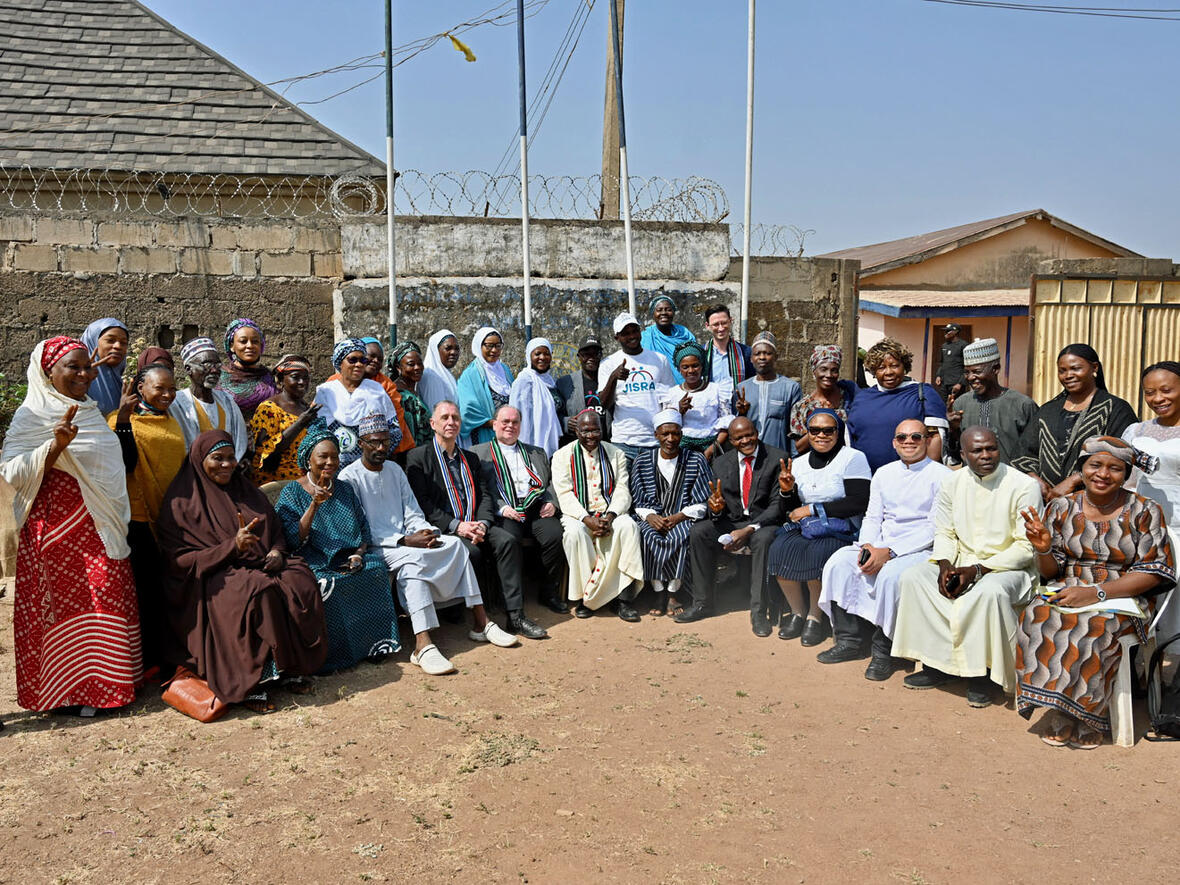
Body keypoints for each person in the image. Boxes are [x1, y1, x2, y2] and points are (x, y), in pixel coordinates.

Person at [1, 337, 141, 714]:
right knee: (64, 607)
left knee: (104, 596)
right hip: (56, 531)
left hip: (100, 525)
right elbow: (11, 473)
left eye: (86, 367)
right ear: (49, 372)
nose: (84, 375)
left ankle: (106, 688)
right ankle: (65, 693)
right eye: (73, 367)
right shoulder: (32, 416)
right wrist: (54, 447)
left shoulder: (89, 411)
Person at [1016, 436, 1176, 748]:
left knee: (1092, 626)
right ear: (1082, 469)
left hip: (1126, 594)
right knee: (1036, 615)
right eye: (1095, 465)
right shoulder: (1061, 507)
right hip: (1069, 585)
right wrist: (1045, 550)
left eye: (1115, 468)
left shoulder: (1144, 510)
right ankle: (1060, 708)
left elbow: (1154, 571)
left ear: (1127, 473)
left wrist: (1096, 594)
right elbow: (1051, 572)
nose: (1103, 474)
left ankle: (1086, 715)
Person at [156, 430, 327, 712]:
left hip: (260, 563)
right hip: (214, 575)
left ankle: (289, 668)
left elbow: (276, 529)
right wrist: (230, 548)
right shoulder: (181, 502)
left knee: (300, 580)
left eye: (230, 458)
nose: (226, 465)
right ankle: (255, 681)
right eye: (217, 459)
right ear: (200, 460)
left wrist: (275, 551)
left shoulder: (245, 490)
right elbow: (180, 562)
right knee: (258, 591)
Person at [340, 415, 509, 676]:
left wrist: (424, 532)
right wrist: (405, 541)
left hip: (409, 539)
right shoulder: (350, 477)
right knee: (410, 565)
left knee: (454, 546)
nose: (381, 448)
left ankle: (480, 623)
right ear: (361, 443)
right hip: (378, 546)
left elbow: (412, 510)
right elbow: (357, 526)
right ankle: (422, 645)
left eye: (385, 442)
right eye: (374, 443)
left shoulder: (395, 470)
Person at [892, 426, 1041, 708]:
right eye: (977, 450)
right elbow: (945, 532)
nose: (986, 455)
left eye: (991, 448)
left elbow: (1025, 549)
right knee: (913, 577)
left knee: (988, 593)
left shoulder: (1024, 485)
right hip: (961, 561)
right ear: (963, 454)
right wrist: (945, 565)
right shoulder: (952, 482)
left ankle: (982, 675)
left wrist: (977, 571)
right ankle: (938, 665)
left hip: (1010, 570)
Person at [817, 419, 951, 680]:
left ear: (927, 440)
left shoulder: (943, 476)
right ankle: (850, 641)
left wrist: (890, 552)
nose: (909, 442)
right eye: (902, 437)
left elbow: (934, 527)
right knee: (839, 563)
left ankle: (883, 652)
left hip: (920, 548)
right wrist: (868, 545)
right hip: (879, 540)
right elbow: (872, 517)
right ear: (894, 443)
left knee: (892, 576)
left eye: (916, 437)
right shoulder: (884, 473)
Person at [406, 400, 543, 640]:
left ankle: (515, 616)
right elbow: (423, 504)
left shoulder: (470, 458)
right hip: (446, 529)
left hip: (476, 524)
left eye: (455, 418)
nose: (451, 422)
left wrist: (483, 523)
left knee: (507, 540)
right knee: (472, 552)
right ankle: (471, 616)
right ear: (432, 423)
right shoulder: (418, 458)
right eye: (445, 417)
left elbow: (485, 495)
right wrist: (457, 526)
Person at [275, 427, 400, 673]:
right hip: (312, 561)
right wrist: (314, 505)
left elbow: (364, 530)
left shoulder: (344, 489)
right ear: (308, 458)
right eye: (323, 456)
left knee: (375, 569)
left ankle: (372, 646)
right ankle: (334, 657)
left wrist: (358, 553)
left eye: (334, 456)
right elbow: (291, 540)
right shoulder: (292, 492)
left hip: (348, 558)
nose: (330, 462)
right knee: (326, 585)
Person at [770, 408, 872, 646]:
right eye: (815, 430)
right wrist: (787, 491)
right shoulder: (798, 462)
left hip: (841, 527)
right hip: (807, 527)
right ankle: (798, 612)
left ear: (838, 432)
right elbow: (792, 509)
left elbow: (858, 501)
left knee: (817, 554)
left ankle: (815, 617)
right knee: (779, 549)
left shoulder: (853, 458)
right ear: (808, 433)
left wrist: (814, 509)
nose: (821, 435)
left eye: (829, 430)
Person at [108, 363, 186, 671]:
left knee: (166, 588)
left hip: (169, 515)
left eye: (171, 389)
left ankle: (165, 654)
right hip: (137, 518)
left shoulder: (171, 421)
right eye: (160, 388)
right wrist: (125, 418)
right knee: (145, 590)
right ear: (141, 388)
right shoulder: (118, 420)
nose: (167, 394)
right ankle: (146, 660)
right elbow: (125, 464)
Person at [680, 416, 789, 633]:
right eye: (739, 438)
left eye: (750, 434)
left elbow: (778, 506)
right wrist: (716, 509)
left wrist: (748, 529)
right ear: (730, 440)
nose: (746, 440)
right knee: (699, 531)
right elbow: (716, 504)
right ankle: (703, 603)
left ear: (757, 433)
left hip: (763, 523)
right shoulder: (721, 462)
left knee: (764, 539)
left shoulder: (777, 458)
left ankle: (759, 613)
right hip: (732, 521)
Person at [472, 404, 568, 616]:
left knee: (555, 536)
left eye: (515, 422)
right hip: (505, 510)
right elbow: (478, 490)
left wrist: (552, 502)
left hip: (535, 507)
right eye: (505, 422)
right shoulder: (477, 453)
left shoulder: (536, 452)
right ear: (494, 424)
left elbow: (551, 482)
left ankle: (547, 591)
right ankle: (511, 598)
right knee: (509, 540)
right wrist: (501, 508)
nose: (510, 426)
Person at [1014, 343, 1138, 502]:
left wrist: (1073, 481)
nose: (1068, 375)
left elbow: (1122, 456)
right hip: (1047, 502)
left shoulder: (1115, 409)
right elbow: (1023, 454)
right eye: (1062, 371)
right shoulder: (1047, 411)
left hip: (1095, 503)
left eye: (1075, 368)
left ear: (1094, 368)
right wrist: (1034, 479)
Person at [551, 410, 644, 620]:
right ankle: (587, 598)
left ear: (602, 430)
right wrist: (587, 519)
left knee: (629, 527)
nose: (591, 436)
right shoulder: (561, 456)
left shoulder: (615, 453)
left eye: (595, 430)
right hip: (578, 515)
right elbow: (564, 493)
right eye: (586, 431)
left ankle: (623, 599)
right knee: (574, 534)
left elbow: (622, 490)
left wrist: (610, 516)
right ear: (576, 431)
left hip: (610, 512)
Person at [630, 410, 712, 616]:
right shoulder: (642, 461)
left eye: (675, 433)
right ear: (656, 434)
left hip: (682, 517)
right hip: (652, 517)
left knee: (682, 535)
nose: (670, 439)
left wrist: (678, 517)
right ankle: (658, 591)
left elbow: (703, 499)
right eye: (665, 434)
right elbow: (637, 499)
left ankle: (673, 592)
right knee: (647, 534)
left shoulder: (696, 460)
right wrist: (650, 516)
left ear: (681, 434)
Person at [1123, 361, 1180, 640]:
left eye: (1166, 390)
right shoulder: (1135, 431)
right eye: (1150, 392)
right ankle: (1144, 667)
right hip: (1143, 523)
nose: (1158, 398)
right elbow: (1127, 478)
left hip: (1178, 524)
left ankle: (1172, 663)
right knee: (1144, 591)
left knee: (1175, 600)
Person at [846, 338, 946, 473]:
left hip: (911, 478)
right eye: (881, 367)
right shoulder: (863, 398)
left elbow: (936, 437)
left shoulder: (923, 393)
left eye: (894, 365)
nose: (888, 372)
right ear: (873, 371)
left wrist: (924, 475)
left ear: (904, 366)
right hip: (866, 479)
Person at [313, 337, 401, 468]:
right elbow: (316, 432)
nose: (359, 364)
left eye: (363, 360)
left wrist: (372, 458)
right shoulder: (326, 392)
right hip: (333, 467)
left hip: (369, 466)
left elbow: (394, 431)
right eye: (352, 360)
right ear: (340, 363)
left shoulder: (376, 391)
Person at [598, 312, 675, 462]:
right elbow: (603, 404)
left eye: (634, 331)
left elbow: (668, 399)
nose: (632, 336)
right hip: (624, 442)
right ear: (616, 338)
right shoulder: (608, 363)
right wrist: (613, 378)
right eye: (626, 333)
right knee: (623, 486)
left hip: (655, 441)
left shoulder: (660, 360)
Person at [948, 338, 1036, 465]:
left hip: (1011, 482)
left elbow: (1034, 452)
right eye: (967, 372)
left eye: (977, 372)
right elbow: (955, 455)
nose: (971, 377)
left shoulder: (1022, 405)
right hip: (973, 481)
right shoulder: (960, 404)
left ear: (996, 369)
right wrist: (953, 429)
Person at [325, 336, 415, 456]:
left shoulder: (385, 386)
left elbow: (395, 423)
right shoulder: (334, 383)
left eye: (380, 359)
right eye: (371, 356)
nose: (376, 361)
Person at [248, 354, 323, 484]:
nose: (302, 382)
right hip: (275, 483)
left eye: (306, 378)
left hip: (303, 482)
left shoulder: (307, 408)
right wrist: (300, 423)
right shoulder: (269, 409)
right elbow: (267, 456)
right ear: (281, 380)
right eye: (295, 377)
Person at [172, 336, 248, 460]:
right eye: (207, 364)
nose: (214, 370)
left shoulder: (227, 401)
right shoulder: (178, 403)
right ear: (188, 369)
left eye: (217, 365)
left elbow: (240, 440)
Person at [659, 341, 731, 458]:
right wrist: (679, 411)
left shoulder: (716, 390)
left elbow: (725, 426)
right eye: (685, 367)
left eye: (695, 365)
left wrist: (710, 451)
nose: (691, 370)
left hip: (712, 448)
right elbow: (667, 429)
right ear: (679, 369)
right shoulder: (672, 394)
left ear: (702, 366)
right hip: (681, 450)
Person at [736, 331, 801, 453]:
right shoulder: (742, 389)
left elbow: (794, 430)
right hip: (749, 456)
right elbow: (735, 429)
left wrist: (793, 460)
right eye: (757, 354)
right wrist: (741, 413)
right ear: (751, 358)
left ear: (776, 357)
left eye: (767, 353)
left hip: (778, 455)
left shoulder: (791, 388)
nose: (762, 357)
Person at [791, 345, 857, 455]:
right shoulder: (802, 407)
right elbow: (799, 448)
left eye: (834, 370)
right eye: (823, 369)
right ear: (814, 371)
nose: (829, 375)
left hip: (848, 460)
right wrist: (823, 417)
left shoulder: (850, 397)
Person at [458, 327, 515, 446]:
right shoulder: (471, 374)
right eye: (489, 346)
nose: (494, 350)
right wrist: (494, 424)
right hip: (485, 437)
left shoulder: (504, 370)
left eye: (498, 345)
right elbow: (467, 411)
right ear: (479, 346)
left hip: (508, 434)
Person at [509, 337, 564, 457]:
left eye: (546, 354)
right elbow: (519, 416)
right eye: (537, 354)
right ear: (529, 356)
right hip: (532, 443)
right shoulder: (524, 381)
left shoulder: (550, 381)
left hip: (551, 440)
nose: (542, 358)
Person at [556, 336, 611, 441]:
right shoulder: (565, 383)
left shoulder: (610, 379)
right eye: (586, 354)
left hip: (607, 443)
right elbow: (553, 414)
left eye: (596, 354)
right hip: (578, 444)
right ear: (579, 357)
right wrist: (566, 422)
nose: (591, 358)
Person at [221, 318, 275, 422]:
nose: (250, 346)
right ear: (232, 346)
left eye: (255, 341)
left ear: (261, 345)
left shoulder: (271, 378)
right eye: (243, 341)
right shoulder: (219, 377)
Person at [702, 304, 753, 405]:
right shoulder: (701, 353)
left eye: (724, 323)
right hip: (708, 408)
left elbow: (752, 384)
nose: (721, 328)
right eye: (716, 324)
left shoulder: (745, 353)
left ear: (730, 321)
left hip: (737, 409)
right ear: (707, 326)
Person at [640, 294, 698, 383]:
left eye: (668, 310)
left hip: (685, 385)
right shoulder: (646, 336)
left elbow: (696, 358)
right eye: (659, 310)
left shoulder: (684, 333)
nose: (664, 313)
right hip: (658, 386)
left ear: (674, 312)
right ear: (653, 313)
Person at [80, 317, 129, 416]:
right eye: (110, 340)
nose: (118, 346)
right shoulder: (75, 382)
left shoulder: (125, 387)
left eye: (123, 343)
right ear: (92, 342)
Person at [389, 340, 432, 451]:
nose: (417, 367)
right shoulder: (400, 395)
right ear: (398, 368)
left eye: (420, 363)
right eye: (411, 364)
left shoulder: (413, 390)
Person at [419, 329, 462, 414]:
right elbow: (436, 414)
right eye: (448, 348)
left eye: (456, 348)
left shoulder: (445, 374)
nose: (454, 352)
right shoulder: (431, 376)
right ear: (436, 350)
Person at [934, 323, 967, 400]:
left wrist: (960, 383)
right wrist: (938, 375)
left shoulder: (964, 345)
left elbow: (967, 366)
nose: (945, 333)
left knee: (957, 407)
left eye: (947, 331)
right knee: (944, 406)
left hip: (956, 384)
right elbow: (942, 363)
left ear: (955, 332)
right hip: (944, 384)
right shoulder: (944, 346)